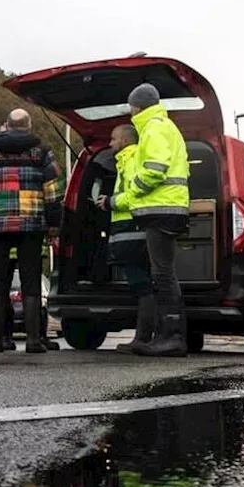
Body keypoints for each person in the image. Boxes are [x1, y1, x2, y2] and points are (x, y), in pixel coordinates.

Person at [0, 108, 64, 353]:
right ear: (28, 127)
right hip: (31, 225)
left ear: (7, 125)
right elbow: (54, 194)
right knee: (30, 282)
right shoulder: (41, 153)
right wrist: (53, 226)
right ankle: (32, 341)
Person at [113, 84, 191, 357]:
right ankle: (170, 334)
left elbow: (155, 169)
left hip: (162, 207)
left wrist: (133, 188)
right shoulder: (163, 125)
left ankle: (171, 336)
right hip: (169, 207)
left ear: (137, 106)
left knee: (162, 274)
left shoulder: (154, 127)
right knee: (164, 272)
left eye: (131, 106)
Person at [94, 123, 154, 354]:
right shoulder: (127, 161)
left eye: (113, 139)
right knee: (144, 285)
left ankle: (143, 338)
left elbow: (134, 196)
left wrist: (109, 202)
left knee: (142, 286)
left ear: (126, 141)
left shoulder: (130, 161)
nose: (110, 144)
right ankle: (147, 336)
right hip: (133, 232)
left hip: (132, 233)